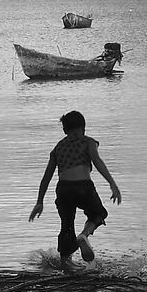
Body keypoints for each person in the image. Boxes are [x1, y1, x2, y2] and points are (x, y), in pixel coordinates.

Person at [29, 110, 122, 265]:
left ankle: (66, 265)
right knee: (98, 213)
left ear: (65, 130)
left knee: (66, 227)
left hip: (63, 189)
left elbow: (47, 177)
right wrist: (112, 184)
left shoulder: (58, 148)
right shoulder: (88, 142)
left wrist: (39, 202)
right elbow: (97, 161)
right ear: (83, 127)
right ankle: (84, 235)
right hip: (83, 187)